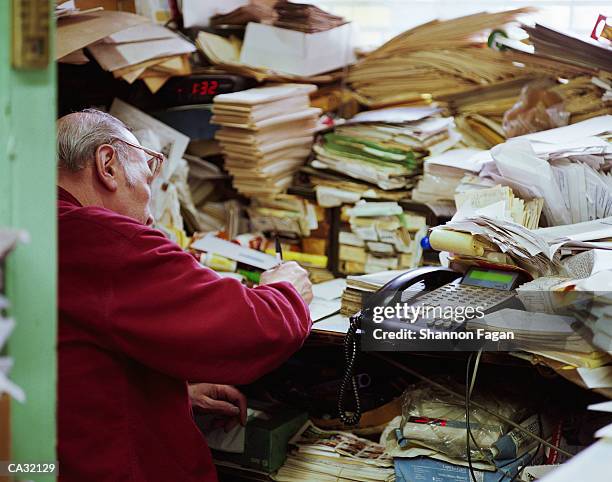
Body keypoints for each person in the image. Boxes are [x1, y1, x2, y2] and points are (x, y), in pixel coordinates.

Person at [56, 109, 313, 481]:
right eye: (148, 175)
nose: (149, 215)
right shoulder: (96, 236)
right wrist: (287, 291)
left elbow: (70, 359)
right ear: (107, 165)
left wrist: (166, 392)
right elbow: (252, 328)